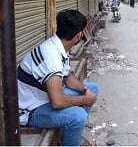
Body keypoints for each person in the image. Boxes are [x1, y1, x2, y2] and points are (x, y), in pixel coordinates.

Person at [17, 9, 98, 146]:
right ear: (79, 35)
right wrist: (86, 99)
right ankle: (72, 140)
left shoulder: (57, 45)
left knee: (92, 88)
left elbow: (67, 77)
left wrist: (84, 90)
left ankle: (71, 134)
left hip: (43, 98)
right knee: (78, 116)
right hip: (30, 110)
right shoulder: (52, 57)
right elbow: (57, 102)